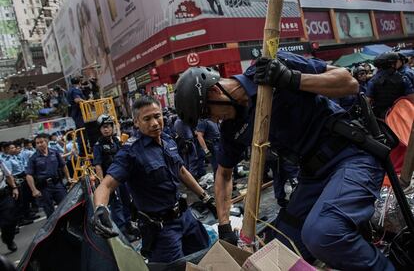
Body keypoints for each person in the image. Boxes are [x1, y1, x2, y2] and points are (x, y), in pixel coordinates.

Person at [174, 51, 395, 270]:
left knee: (323, 233)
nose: (212, 120)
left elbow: (349, 83)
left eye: (207, 112)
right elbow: (223, 174)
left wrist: (292, 79)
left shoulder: (273, 65)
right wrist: (224, 227)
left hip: (350, 158)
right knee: (277, 253)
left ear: (215, 90)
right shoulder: (232, 129)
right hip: (312, 178)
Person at [92, 96, 210, 263]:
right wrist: (100, 208)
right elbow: (106, 185)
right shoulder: (130, 153)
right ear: (136, 122)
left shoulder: (168, 140)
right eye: (147, 119)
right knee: (174, 268)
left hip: (186, 217)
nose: (155, 123)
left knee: (205, 258)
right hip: (162, 230)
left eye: (157, 116)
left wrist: (205, 197)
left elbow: (181, 171)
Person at [26, 134, 69, 218]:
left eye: (41, 142)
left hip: (57, 184)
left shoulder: (54, 152)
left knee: (65, 205)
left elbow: (63, 165)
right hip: (44, 187)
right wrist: (34, 190)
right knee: (50, 211)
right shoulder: (33, 158)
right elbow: (29, 175)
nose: (39, 144)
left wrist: (68, 178)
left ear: (46, 142)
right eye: (37, 143)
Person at [366, 52, 414, 119]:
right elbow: (411, 99)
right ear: (392, 64)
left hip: (381, 119)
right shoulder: (403, 79)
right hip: (402, 116)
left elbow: (367, 102)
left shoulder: (372, 81)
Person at [0, 161, 19, 252]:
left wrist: (14, 187)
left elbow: (8, 175)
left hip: (3, 195)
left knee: (11, 220)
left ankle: (8, 239)